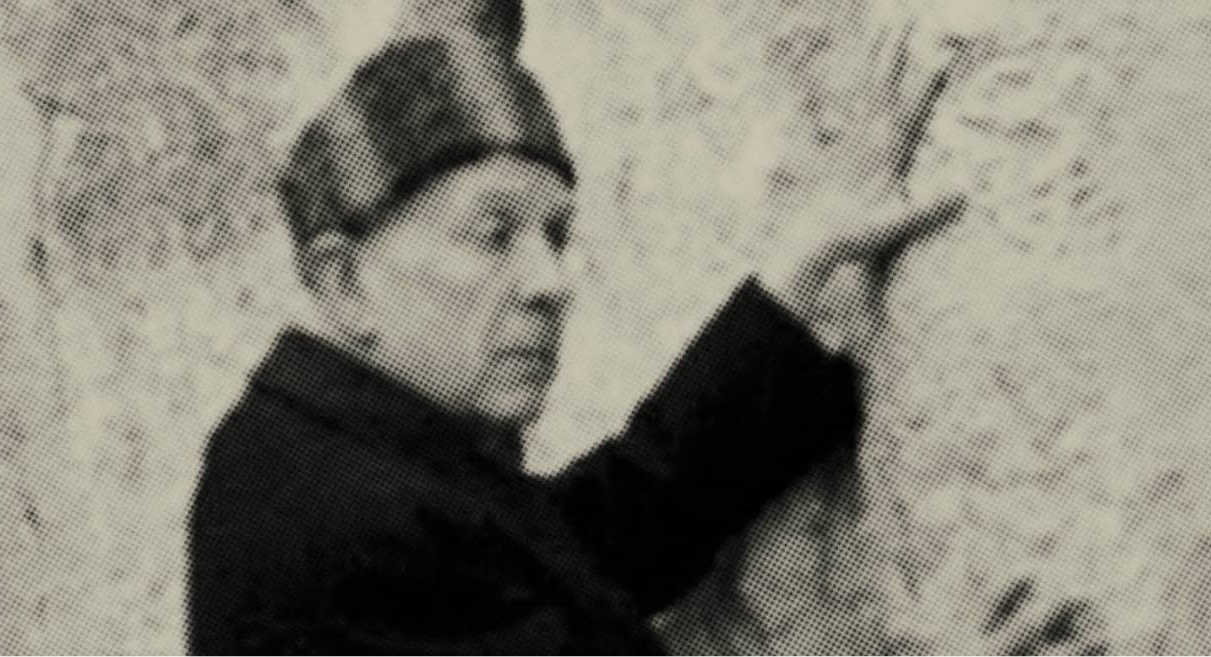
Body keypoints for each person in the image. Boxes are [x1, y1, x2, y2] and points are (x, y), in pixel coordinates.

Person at [183, 1, 967, 653]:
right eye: (494, 234)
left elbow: (576, 555)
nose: (549, 282)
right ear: (344, 281)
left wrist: (797, 275)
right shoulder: (334, 524)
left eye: (555, 235)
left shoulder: (335, 453)